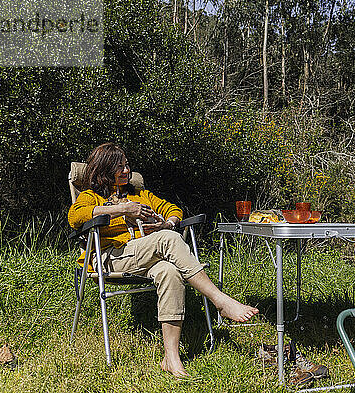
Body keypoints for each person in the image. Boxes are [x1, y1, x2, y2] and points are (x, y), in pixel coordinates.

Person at [68, 143, 259, 377]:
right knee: (167, 239)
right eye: (120, 167)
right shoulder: (91, 196)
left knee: (170, 270)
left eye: (127, 164)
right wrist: (123, 209)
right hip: (110, 257)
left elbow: (173, 209)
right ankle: (219, 300)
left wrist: (165, 223)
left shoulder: (141, 195)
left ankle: (171, 357)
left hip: (142, 255)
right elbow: (75, 217)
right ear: (105, 170)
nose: (127, 170)